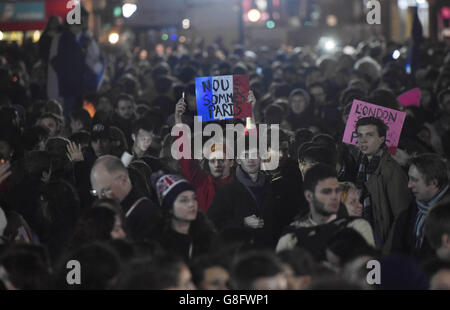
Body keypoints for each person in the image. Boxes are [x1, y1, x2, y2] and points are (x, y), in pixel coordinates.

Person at [276, 164, 375, 260]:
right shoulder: (291, 236)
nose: (334, 197)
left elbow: (369, 271)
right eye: (327, 191)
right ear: (309, 196)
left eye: (336, 191)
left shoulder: (357, 226)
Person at [208, 136, 277, 249]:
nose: (251, 160)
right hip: (239, 252)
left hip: (268, 251)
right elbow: (214, 222)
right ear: (238, 160)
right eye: (245, 155)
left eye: (254, 154)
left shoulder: (272, 186)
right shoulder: (227, 190)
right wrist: (242, 222)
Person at [354, 117, 412, 250]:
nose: (363, 140)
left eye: (369, 135)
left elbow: (402, 214)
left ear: (381, 139)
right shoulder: (362, 164)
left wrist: (388, 248)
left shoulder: (390, 168)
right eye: (360, 135)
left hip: (384, 242)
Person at [174, 95, 234, 213]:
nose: (217, 164)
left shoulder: (239, 181)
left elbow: (250, 146)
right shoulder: (201, 183)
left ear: (232, 162)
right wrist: (178, 119)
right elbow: (185, 157)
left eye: (221, 159)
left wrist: (251, 113)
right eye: (212, 160)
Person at [90, 155, 162, 242]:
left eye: (106, 190)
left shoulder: (147, 214)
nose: (101, 198)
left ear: (123, 180)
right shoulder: (108, 211)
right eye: (96, 192)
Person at [392, 154, 450, 259]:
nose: (409, 185)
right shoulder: (407, 214)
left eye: (415, 180)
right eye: (409, 178)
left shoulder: (446, 216)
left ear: (434, 183)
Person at [153, 173, 217, 261]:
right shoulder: (159, 244)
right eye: (184, 200)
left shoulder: (208, 236)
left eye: (194, 198)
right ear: (170, 208)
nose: (192, 204)